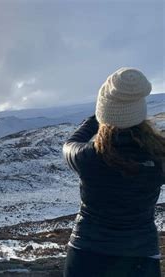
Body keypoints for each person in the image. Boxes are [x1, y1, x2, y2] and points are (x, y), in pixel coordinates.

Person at [62, 67, 164, 277]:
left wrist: (95, 118)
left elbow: (69, 145)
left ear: (104, 112)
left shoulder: (87, 157)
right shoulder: (159, 158)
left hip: (86, 252)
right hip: (141, 256)